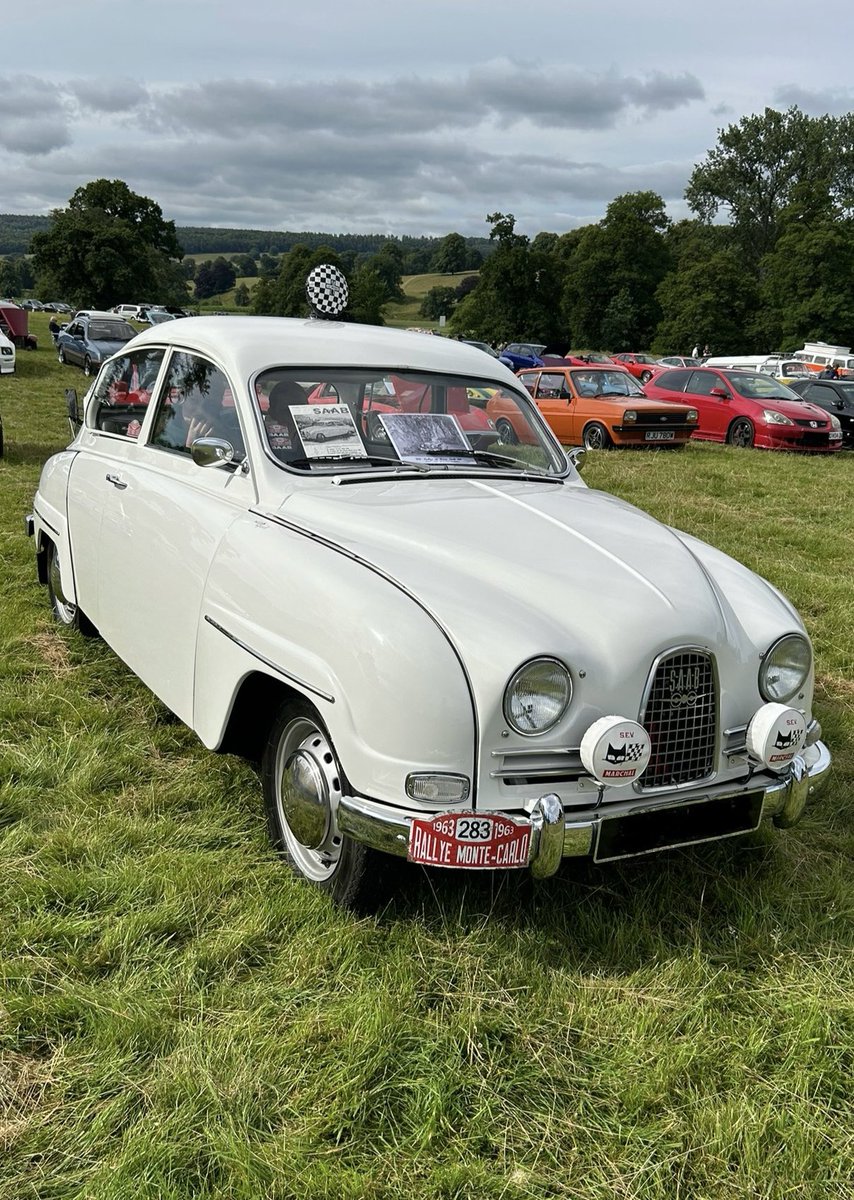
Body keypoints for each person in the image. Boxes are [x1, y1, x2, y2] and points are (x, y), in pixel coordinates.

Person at [264, 380, 307, 452]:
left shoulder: (314, 432)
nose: (294, 415)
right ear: (273, 413)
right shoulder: (262, 439)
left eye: (300, 409)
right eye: (287, 411)